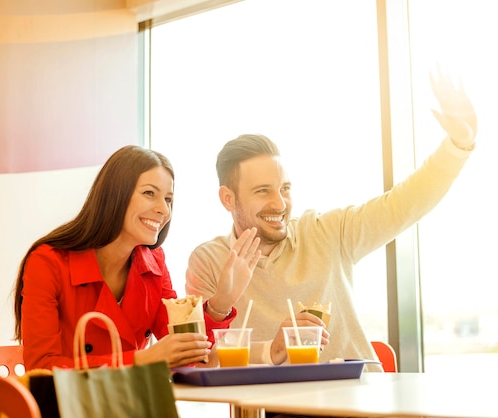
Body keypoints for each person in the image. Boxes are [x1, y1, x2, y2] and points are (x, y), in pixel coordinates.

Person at [186, 68, 477, 370]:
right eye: (262, 191)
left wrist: (458, 146)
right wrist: (223, 308)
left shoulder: (325, 232)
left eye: (285, 188)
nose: (279, 203)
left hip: (358, 403)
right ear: (228, 198)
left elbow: (402, 204)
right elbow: (203, 359)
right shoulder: (209, 261)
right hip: (274, 411)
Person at [12, 145, 261, 370]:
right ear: (115, 195)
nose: (164, 210)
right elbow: (41, 369)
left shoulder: (153, 263)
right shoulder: (48, 262)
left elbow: (190, 354)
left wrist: (220, 303)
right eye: (149, 193)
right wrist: (142, 358)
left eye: (168, 199)